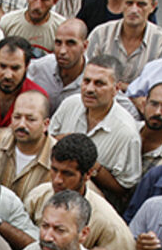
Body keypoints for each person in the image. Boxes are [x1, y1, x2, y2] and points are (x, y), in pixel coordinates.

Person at [49, 56, 141, 206]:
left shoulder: (126, 133)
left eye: (99, 84)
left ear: (116, 89)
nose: (90, 89)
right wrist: (60, 141)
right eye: (86, 81)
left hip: (93, 203)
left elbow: (124, 188)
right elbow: (47, 140)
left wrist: (92, 165)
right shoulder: (70, 104)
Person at [85, 0, 162, 89]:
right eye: (129, 3)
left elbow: (156, 85)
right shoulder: (101, 34)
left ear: (153, 6)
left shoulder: (161, 40)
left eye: (141, 4)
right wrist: (131, 91)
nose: (134, 10)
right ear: (122, 3)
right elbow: (88, 76)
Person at [0, 91, 56, 200]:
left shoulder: (55, 158)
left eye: (31, 119)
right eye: (17, 117)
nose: (21, 124)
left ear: (45, 124)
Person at [0, 0, 65, 59]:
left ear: (54, 2)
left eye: (44, 0)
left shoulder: (61, 29)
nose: (37, 5)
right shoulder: (7, 23)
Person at [28, 20, 89, 113]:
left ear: (84, 46)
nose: (62, 51)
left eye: (70, 43)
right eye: (58, 43)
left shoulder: (96, 77)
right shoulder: (39, 67)